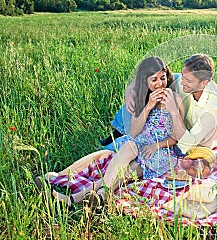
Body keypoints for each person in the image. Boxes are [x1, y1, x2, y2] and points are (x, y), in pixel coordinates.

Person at [51, 56, 185, 206]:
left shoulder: (175, 99)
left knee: (126, 172)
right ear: (145, 82)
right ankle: (99, 195)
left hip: (160, 151)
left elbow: (178, 136)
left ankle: (81, 198)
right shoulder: (142, 99)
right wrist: (148, 106)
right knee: (129, 146)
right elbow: (134, 132)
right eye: (154, 80)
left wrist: (157, 143)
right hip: (139, 145)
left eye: (163, 78)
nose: (160, 84)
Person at [103, 53, 217, 155]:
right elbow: (154, 73)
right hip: (149, 135)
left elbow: (186, 143)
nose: (181, 82)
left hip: (193, 144)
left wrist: (174, 112)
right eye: (183, 76)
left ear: (203, 83)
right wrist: (131, 90)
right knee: (138, 98)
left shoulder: (214, 107)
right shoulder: (187, 82)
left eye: (187, 80)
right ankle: (116, 134)